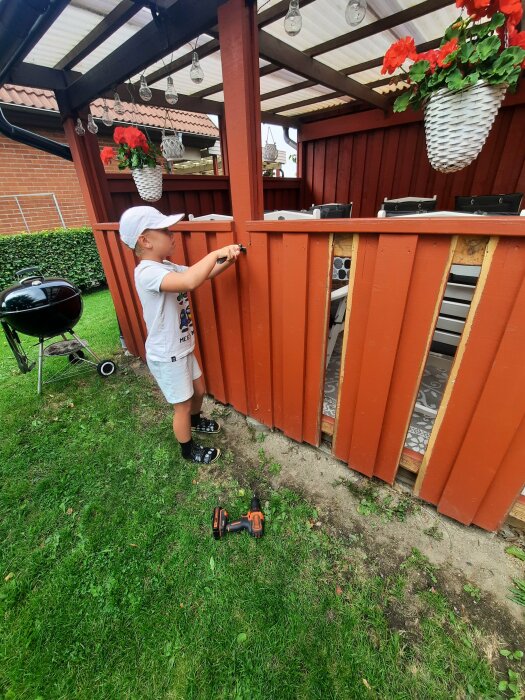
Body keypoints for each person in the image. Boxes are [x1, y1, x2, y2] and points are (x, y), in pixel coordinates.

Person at [119, 206, 241, 464]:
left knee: (199, 390)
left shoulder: (166, 266)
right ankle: (188, 450)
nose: (170, 233)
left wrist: (226, 261)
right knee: (182, 405)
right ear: (145, 240)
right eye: (164, 230)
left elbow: (200, 275)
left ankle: (196, 422)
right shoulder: (147, 273)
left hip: (182, 348)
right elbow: (188, 282)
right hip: (167, 354)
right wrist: (215, 252)